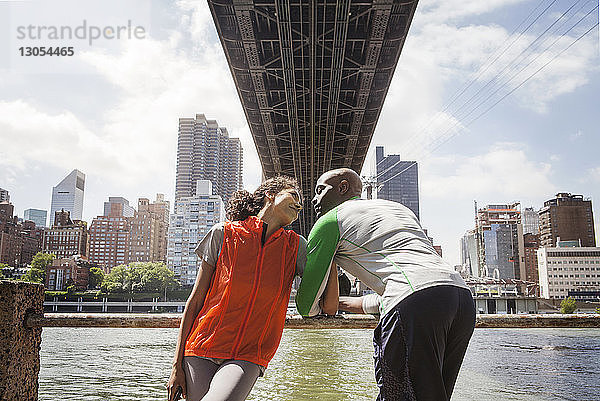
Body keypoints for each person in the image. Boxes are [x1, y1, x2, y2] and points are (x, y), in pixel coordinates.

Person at [296, 168, 476, 401]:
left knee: (398, 395)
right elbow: (410, 284)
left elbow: (307, 306)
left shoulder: (330, 220)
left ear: (342, 188)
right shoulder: (396, 209)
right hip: (460, 298)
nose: (314, 199)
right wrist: (343, 303)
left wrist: (321, 304)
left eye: (320, 190)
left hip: (414, 302)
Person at [167, 176, 338, 401]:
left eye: (301, 203)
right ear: (270, 195)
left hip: (249, 354)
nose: (299, 205)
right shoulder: (223, 233)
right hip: (200, 348)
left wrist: (332, 253)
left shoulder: (296, 247)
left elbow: (329, 306)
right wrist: (176, 366)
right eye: (294, 195)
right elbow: (196, 301)